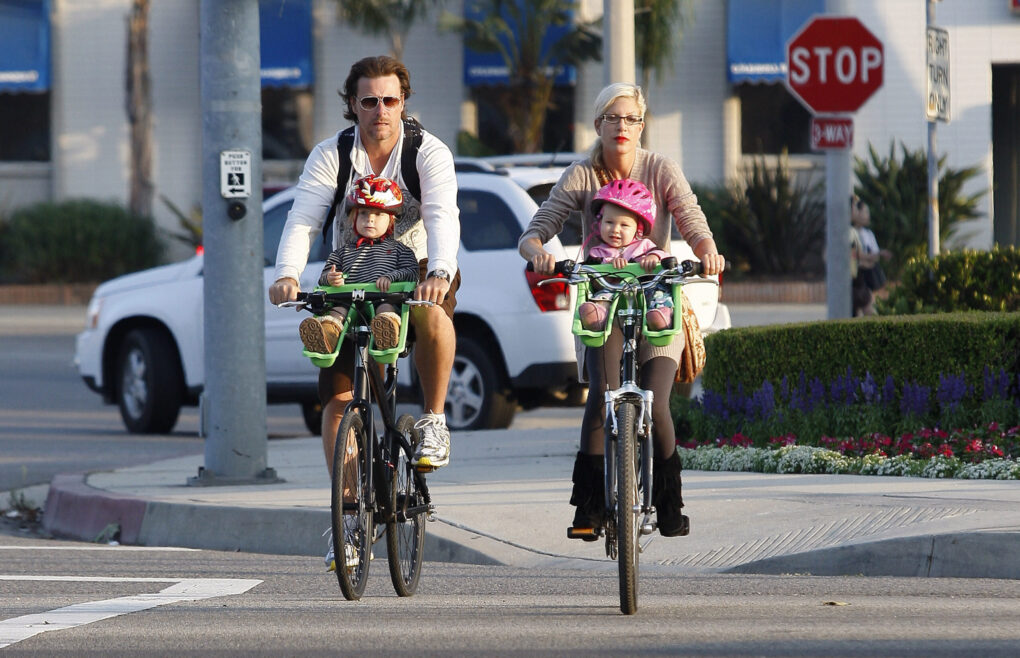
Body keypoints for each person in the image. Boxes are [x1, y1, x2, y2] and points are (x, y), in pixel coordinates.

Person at [267, 56, 460, 570]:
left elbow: (442, 216)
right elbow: (304, 217)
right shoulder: (333, 154)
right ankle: (349, 514)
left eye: (389, 100)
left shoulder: (426, 152)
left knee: (431, 311)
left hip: (411, 269)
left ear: (404, 103)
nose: (379, 110)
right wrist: (288, 273)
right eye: (368, 100)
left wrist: (439, 270)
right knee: (337, 399)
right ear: (352, 104)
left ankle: (435, 420)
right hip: (349, 275)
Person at [518, 82, 726, 540]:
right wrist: (538, 252)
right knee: (600, 397)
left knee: (658, 402)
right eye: (612, 118)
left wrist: (707, 251)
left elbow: (691, 218)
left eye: (631, 118)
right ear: (598, 124)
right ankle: (589, 510)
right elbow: (538, 227)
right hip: (602, 301)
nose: (622, 126)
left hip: (656, 297)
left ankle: (670, 504)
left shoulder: (660, 168)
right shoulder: (582, 173)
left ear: (642, 124)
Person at [297, 175, 420, 354]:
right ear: (354, 217)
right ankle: (325, 335)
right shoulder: (343, 252)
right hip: (349, 301)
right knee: (337, 312)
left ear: (391, 220)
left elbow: (412, 272)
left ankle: (387, 331)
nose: (370, 219)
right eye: (363, 213)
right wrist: (330, 278)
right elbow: (322, 279)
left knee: (385, 309)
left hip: (382, 298)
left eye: (378, 214)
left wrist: (391, 277)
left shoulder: (399, 250)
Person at [578, 179, 673, 332]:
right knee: (601, 297)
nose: (615, 229)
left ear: (638, 228)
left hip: (643, 293)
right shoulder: (598, 252)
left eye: (624, 225)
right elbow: (592, 279)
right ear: (599, 222)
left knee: (657, 294)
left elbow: (664, 257)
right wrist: (608, 268)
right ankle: (596, 315)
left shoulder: (644, 246)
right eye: (609, 222)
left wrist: (653, 258)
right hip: (612, 295)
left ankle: (660, 315)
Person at [851, 196, 891, 316]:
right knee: (864, 310)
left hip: (860, 281)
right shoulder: (849, 232)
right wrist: (869, 258)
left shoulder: (866, 234)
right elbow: (855, 255)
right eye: (855, 208)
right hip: (852, 281)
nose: (857, 212)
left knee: (867, 309)